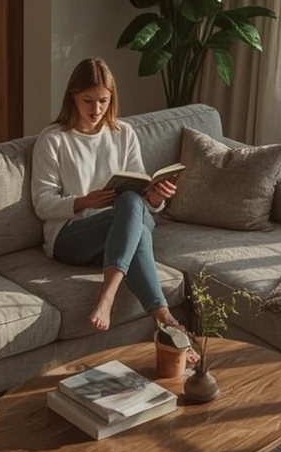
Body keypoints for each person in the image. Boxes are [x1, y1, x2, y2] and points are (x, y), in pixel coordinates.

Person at [31, 57, 183, 333]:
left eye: (103, 100)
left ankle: (156, 314)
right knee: (138, 226)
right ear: (73, 97)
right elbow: (42, 204)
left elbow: (140, 190)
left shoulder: (123, 133)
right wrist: (82, 202)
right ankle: (131, 303)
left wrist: (157, 198)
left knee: (132, 202)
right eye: (88, 100)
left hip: (121, 229)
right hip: (72, 236)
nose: (97, 109)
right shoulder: (54, 139)